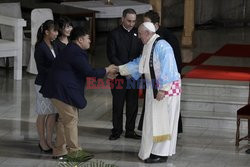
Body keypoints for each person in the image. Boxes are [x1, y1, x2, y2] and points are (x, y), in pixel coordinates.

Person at [40, 27, 118, 160]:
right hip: (61, 90)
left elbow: (83, 71)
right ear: (80, 40)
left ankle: (59, 150)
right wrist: (107, 69)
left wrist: (105, 74)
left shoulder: (72, 49)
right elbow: (89, 72)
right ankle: (74, 153)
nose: (90, 41)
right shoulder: (75, 52)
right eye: (88, 38)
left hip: (59, 89)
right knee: (71, 119)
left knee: (64, 120)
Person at [118, 22, 181, 163]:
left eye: (140, 34)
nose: (138, 37)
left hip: (166, 89)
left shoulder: (163, 45)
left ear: (147, 33)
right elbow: (140, 63)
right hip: (153, 88)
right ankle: (151, 151)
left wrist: (163, 89)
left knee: (164, 121)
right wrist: (119, 69)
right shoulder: (148, 45)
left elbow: (169, 68)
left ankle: (161, 154)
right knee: (152, 120)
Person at [137, 10, 183, 134]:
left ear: (156, 25)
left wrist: (163, 87)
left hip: (165, 85)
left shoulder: (165, 41)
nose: (144, 29)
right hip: (152, 83)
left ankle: (163, 144)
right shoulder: (148, 39)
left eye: (147, 24)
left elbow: (172, 65)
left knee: (164, 119)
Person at [106, 8, 143, 140]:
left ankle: (130, 130)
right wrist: (124, 70)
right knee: (118, 104)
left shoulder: (138, 33)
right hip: (119, 75)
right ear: (122, 19)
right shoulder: (114, 34)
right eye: (129, 21)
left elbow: (141, 54)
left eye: (134, 21)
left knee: (132, 104)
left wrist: (133, 71)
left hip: (133, 76)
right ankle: (116, 130)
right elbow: (112, 55)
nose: (131, 24)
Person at [34, 20, 59, 153]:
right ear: (46, 32)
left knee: (52, 113)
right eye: (54, 31)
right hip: (42, 84)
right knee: (43, 114)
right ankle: (42, 141)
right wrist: (57, 70)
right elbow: (41, 69)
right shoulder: (40, 47)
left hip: (53, 84)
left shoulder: (54, 44)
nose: (56, 33)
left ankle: (49, 140)